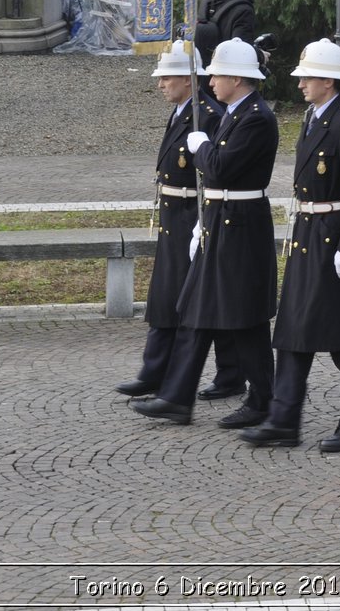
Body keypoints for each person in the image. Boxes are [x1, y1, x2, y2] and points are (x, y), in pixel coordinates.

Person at [242, 40, 340, 453]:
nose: (300, 83)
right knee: (292, 333)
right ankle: (284, 419)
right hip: (308, 237)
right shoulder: (314, 116)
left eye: (306, 77)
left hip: (334, 240)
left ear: (327, 80)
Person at [132, 38, 279, 426]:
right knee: (195, 310)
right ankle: (178, 397)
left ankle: (264, 400)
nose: (210, 81)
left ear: (235, 77)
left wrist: (200, 147)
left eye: (215, 75)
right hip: (220, 222)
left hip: (241, 227)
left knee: (246, 321)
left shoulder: (256, 117)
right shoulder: (236, 111)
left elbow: (220, 168)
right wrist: (203, 221)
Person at [114, 42, 223, 399]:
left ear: (189, 79)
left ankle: (228, 374)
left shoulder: (206, 114)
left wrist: (201, 223)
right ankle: (154, 369)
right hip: (172, 216)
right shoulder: (181, 112)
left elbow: (212, 174)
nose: (160, 84)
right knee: (165, 296)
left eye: (167, 77)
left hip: (192, 215)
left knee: (194, 299)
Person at [193, 0, 268, 84]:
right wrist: (261, 55)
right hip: (225, 81)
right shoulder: (244, 9)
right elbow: (240, 51)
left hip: (201, 76)